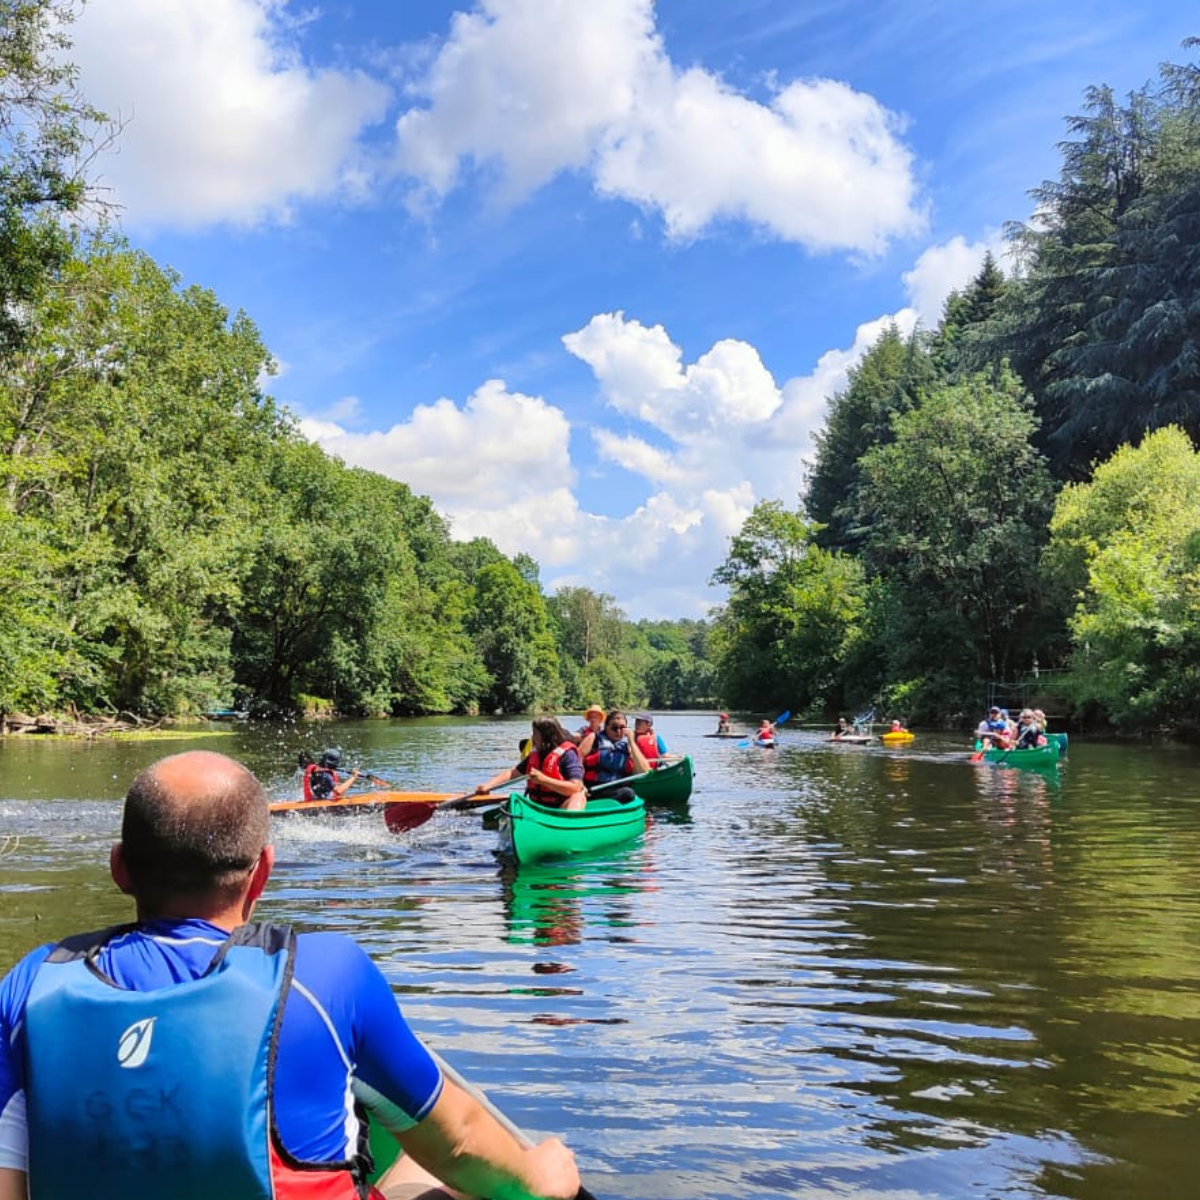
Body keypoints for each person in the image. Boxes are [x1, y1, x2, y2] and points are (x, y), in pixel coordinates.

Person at [0, 751, 580, 1200]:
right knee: (426, 1165)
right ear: (263, 873)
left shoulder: (30, 986)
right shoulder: (325, 975)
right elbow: (458, 1144)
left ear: (119, 869)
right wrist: (541, 1173)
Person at [474, 717, 587, 811]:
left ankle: (567, 829)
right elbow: (512, 773)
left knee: (578, 796)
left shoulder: (568, 755)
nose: (532, 738)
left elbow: (575, 787)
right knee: (515, 799)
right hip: (537, 806)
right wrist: (489, 785)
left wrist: (544, 780)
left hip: (561, 807)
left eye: (535, 734)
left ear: (546, 736)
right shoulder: (536, 754)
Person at [577, 709, 650, 791]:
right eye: (614, 728)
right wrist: (579, 784)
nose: (618, 731)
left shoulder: (627, 745)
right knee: (627, 793)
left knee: (628, 792)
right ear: (606, 727)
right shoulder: (593, 738)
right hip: (594, 787)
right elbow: (575, 762)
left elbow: (645, 772)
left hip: (617, 786)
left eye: (622, 728)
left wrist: (632, 742)